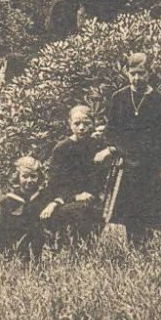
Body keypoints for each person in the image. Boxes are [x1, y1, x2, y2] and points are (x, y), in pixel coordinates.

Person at [100, 52, 161, 246]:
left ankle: (147, 247)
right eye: (133, 73)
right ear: (127, 73)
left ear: (149, 73)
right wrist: (115, 149)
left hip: (150, 164)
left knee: (149, 208)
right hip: (127, 163)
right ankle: (134, 246)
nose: (137, 78)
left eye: (141, 73)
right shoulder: (119, 98)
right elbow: (111, 131)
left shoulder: (159, 100)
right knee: (130, 209)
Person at [40, 104, 109, 250]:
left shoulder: (97, 146)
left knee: (94, 209)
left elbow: (99, 177)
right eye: (77, 124)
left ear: (93, 124)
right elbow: (56, 182)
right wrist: (74, 196)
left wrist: (91, 193)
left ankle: (86, 246)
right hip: (63, 197)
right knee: (75, 210)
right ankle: (67, 246)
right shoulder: (62, 148)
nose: (82, 128)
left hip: (90, 196)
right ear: (70, 124)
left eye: (86, 124)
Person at [0, 156, 46, 263]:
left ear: (39, 177)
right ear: (18, 177)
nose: (29, 180)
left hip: (40, 248)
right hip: (16, 248)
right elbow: (0, 230)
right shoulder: (8, 201)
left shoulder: (43, 198)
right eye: (25, 176)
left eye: (33, 176)